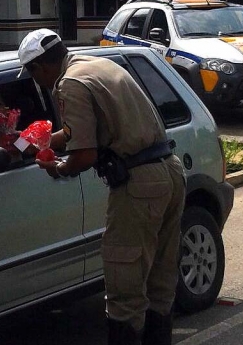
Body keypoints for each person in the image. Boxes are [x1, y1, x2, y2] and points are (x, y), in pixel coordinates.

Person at [17, 28, 186, 345]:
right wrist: (27, 142)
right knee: (160, 284)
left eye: (32, 73)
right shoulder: (98, 65)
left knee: (125, 292)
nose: (35, 80)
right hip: (169, 171)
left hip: (138, 184)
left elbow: (84, 155)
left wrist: (59, 168)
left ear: (39, 68)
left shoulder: (69, 84)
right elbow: (78, 130)